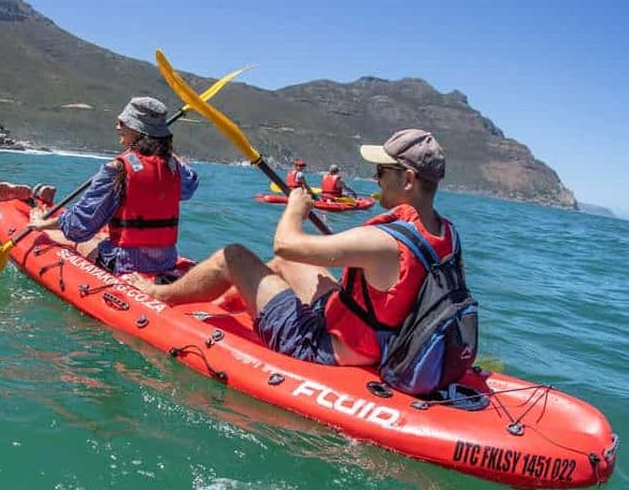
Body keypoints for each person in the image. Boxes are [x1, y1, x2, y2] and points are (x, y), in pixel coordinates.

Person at [130, 129, 457, 367]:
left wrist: (295, 209)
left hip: (326, 346)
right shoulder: (446, 234)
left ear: (409, 179)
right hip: (373, 336)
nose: (375, 178)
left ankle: (160, 295)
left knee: (234, 256)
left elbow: (285, 245)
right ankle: (222, 303)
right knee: (286, 266)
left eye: (382, 172)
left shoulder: (383, 242)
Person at [23, 96, 199, 275]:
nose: (117, 127)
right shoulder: (174, 167)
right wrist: (164, 145)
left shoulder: (117, 168)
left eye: (122, 122)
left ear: (135, 129)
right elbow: (189, 186)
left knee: (73, 239)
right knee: (105, 231)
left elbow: (79, 228)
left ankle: (42, 216)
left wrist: (41, 225)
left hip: (124, 263)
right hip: (165, 261)